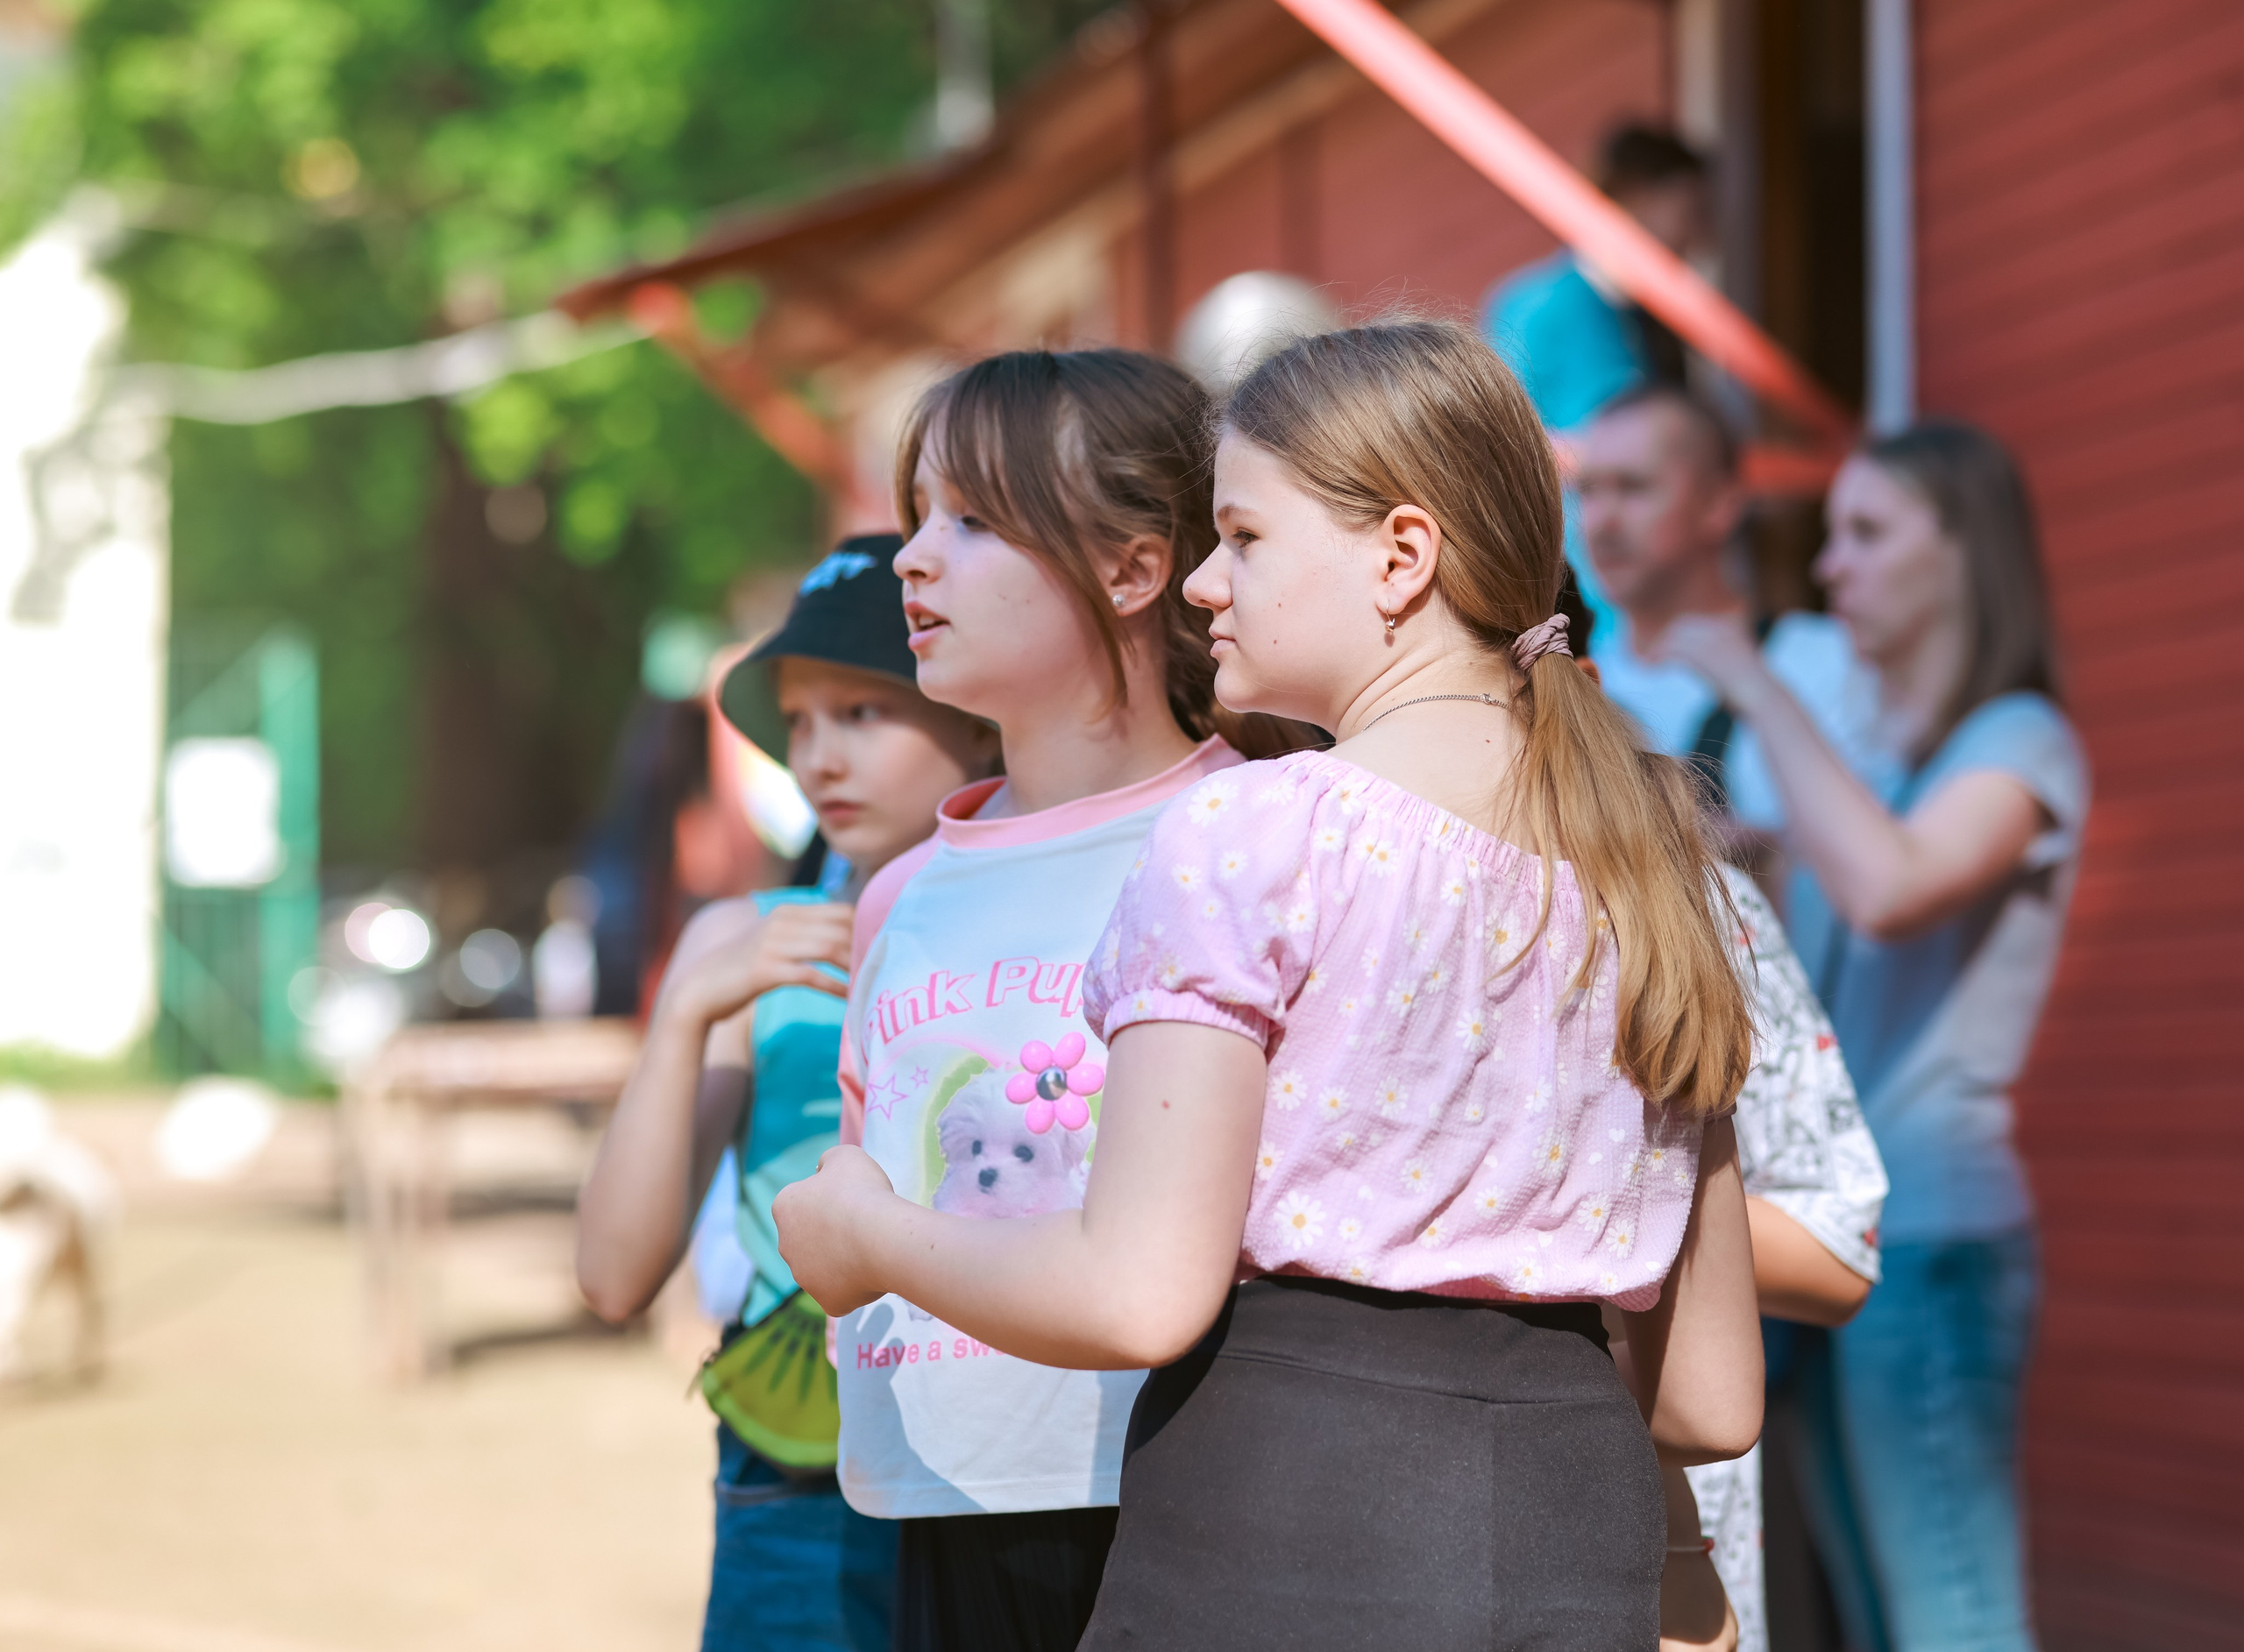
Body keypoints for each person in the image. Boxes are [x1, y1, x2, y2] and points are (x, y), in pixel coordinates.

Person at [777, 319, 1767, 1650]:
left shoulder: (1259, 833)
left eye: (1242, 538)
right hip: (1571, 1536)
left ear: (1402, 557)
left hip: (1286, 1527)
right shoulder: (1655, 864)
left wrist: (868, 1236)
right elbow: (1710, 1399)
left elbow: (1139, 1291)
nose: (1201, 584)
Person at [814, 348, 1299, 1652]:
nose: (913, 558)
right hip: (935, 1493)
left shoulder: (1250, 834)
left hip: (1187, 1491)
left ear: (1138, 570)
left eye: (972, 521)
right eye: (917, 514)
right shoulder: (898, 895)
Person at [1660, 422, 2084, 1652]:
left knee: (1954, 1616)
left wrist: (1751, 679)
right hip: (1862, 1230)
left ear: (1960, 553)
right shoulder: (1897, 755)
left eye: (1867, 533)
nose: (1831, 566)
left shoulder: (2020, 743)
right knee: (1879, 1616)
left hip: (1941, 1233)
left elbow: (1893, 887)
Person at [576, 536, 998, 1652]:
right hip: (797, 1470)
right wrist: (684, 1017)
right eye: (801, 722)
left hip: (1011, 1463)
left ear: (975, 713)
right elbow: (615, 1276)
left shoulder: (1046, 921)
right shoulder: (744, 945)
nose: (820, 758)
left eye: (863, 711)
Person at [1577, 384, 1884, 865]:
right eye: (1588, 491)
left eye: (1634, 488)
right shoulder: (1572, 682)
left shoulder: (1826, 666)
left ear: (1720, 503)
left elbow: (1875, 868)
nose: (1602, 522)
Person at [1484, 124, 1713, 636]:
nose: (1699, 238)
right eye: (1691, 212)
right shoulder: (1538, 307)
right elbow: (1490, 442)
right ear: (1635, 198)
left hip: (1650, 590)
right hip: (1568, 593)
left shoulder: (1652, 324)